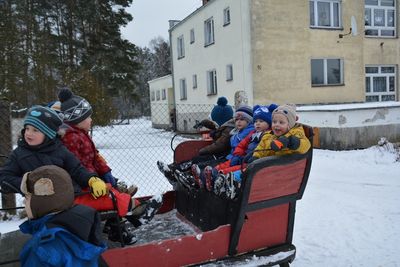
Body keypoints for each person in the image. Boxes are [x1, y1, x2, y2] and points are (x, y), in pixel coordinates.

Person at [0, 105, 160, 242]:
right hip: (46, 206)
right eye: (27, 128)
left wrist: (92, 180)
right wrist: (29, 184)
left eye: (35, 130)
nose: (29, 133)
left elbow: (77, 169)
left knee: (106, 190)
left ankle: (131, 216)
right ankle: (136, 211)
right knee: (109, 199)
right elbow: (5, 178)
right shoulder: (19, 154)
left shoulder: (59, 150)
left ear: (48, 133)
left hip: (71, 195)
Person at [215, 104, 311, 199]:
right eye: (274, 122)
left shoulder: (295, 134)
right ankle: (227, 182)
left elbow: (306, 145)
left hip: (280, 169)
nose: (276, 125)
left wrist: (294, 142)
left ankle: (232, 184)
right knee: (246, 170)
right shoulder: (268, 135)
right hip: (267, 166)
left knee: (248, 174)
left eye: (281, 123)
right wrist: (255, 156)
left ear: (289, 124)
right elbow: (261, 148)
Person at [19, 165, 106, 266]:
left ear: (42, 201)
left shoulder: (40, 249)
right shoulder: (85, 228)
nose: (24, 202)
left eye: (27, 197)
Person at [57, 87, 137, 196]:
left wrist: (104, 169)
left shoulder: (82, 134)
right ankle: (120, 199)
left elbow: (93, 155)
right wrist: (92, 177)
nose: (91, 120)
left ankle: (118, 192)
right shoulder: (71, 138)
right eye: (88, 117)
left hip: (94, 172)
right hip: (87, 179)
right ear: (77, 120)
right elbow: (74, 164)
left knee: (108, 176)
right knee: (107, 189)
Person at [197, 104, 278, 194]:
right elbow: (242, 145)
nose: (257, 123)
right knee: (222, 166)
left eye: (261, 121)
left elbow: (263, 149)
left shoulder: (268, 135)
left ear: (269, 123)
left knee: (230, 171)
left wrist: (250, 156)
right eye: (256, 121)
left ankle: (219, 180)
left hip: (250, 161)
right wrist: (238, 154)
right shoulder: (253, 133)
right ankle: (211, 176)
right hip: (240, 157)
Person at [157, 96, 235, 184]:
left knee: (198, 161)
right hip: (218, 153)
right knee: (196, 159)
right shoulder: (223, 125)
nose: (215, 124)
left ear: (221, 120)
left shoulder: (228, 129)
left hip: (221, 155)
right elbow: (213, 125)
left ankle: (182, 174)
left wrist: (203, 150)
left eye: (216, 122)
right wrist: (203, 123)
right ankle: (174, 169)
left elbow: (220, 145)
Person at [187, 105, 255, 188]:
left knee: (210, 167)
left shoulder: (247, 133)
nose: (238, 122)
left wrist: (202, 150)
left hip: (235, 159)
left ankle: (203, 182)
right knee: (203, 164)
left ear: (249, 121)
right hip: (230, 157)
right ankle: (200, 180)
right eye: (236, 120)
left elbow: (221, 145)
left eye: (242, 119)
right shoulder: (236, 131)